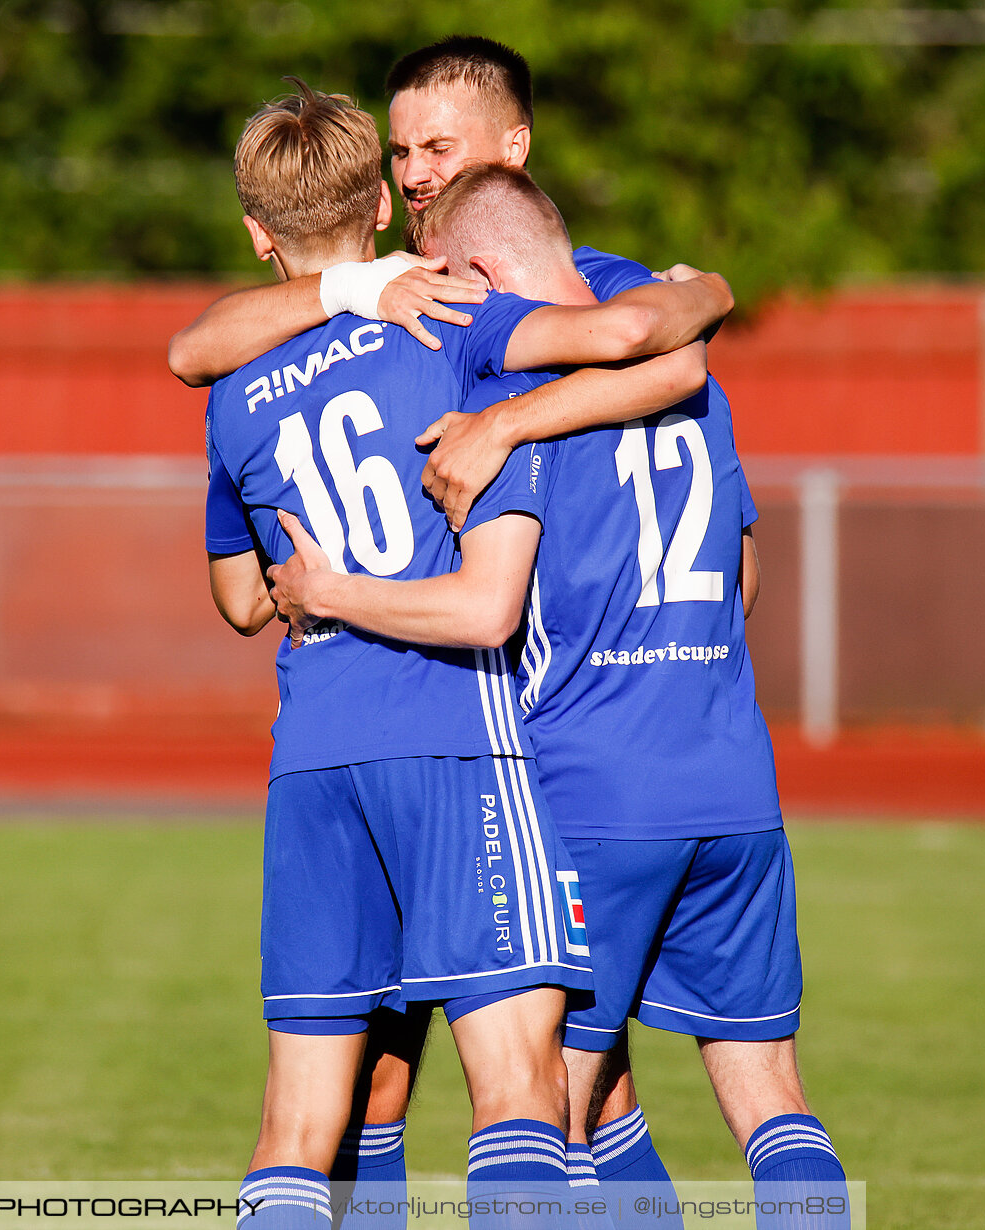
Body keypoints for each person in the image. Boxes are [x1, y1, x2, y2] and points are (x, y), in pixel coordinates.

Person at [172, 34, 737, 1202]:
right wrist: (708, 291)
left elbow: (238, 595)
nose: (422, 172)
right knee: (520, 1090)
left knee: (314, 1113)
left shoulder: (250, 384)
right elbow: (644, 350)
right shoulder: (453, 321)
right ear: (378, 200)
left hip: (362, 746)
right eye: (405, 155)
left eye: (443, 148)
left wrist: (325, 576)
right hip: (461, 736)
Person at [270, 164, 849, 1230]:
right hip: (733, 779)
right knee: (772, 1096)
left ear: (483, 272)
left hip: (591, 787)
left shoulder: (513, 406)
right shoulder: (690, 379)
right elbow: (746, 576)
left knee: (549, 1112)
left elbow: (486, 602)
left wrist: (335, 591)